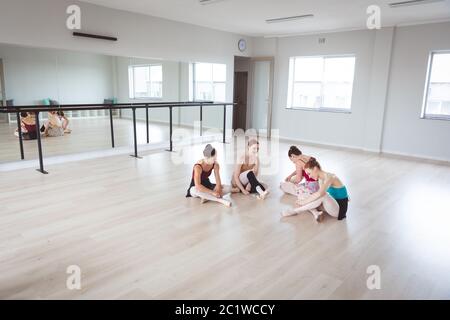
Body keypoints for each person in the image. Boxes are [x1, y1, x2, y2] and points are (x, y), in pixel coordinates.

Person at [281, 158, 349, 222]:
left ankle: (296, 211)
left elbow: (320, 194)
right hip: (330, 206)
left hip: (339, 210)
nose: (309, 176)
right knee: (307, 195)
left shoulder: (330, 177)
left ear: (315, 169)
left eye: (309, 173)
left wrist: (304, 202)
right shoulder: (320, 179)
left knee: (323, 195)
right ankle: (316, 213)